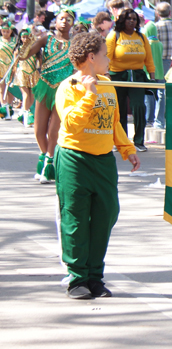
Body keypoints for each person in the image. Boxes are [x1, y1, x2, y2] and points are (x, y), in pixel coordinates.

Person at [55, 32, 140, 299]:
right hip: (74, 159)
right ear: (91, 57)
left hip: (103, 161)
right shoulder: (68, 87)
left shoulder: (107, 84)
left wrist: (127, 148)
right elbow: (70, 124)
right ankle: (77, 278)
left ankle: (95, 276)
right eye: (105, 55)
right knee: (76, 218)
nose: (109, 59)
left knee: (106, 215)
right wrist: (88, 95)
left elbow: (113, 122)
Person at [26, 7, 76, 183]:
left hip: (64, 90)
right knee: (39, 130)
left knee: (54, 129)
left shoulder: (75, 43)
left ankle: (49, 162)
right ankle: (47, 157)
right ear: (55, 21)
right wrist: (27, 41)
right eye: (61, 18)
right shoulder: (46, 39)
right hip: (45, 86)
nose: (64, 22)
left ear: (73, 23)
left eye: (68, 19)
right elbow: (26, 55)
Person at [106, 8, 155, 152]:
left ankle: (139, 141)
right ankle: (120, 141)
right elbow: (107, 57)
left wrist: (152, 76)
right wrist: (105, 74)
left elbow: (149, 59)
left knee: (138, 106)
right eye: (129, 19)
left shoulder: (141, 37)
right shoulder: (113, 36)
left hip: (137, 76)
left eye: (134, 19)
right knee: (118, 109)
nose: (132, 21)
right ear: (122, 20)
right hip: (117, 76)